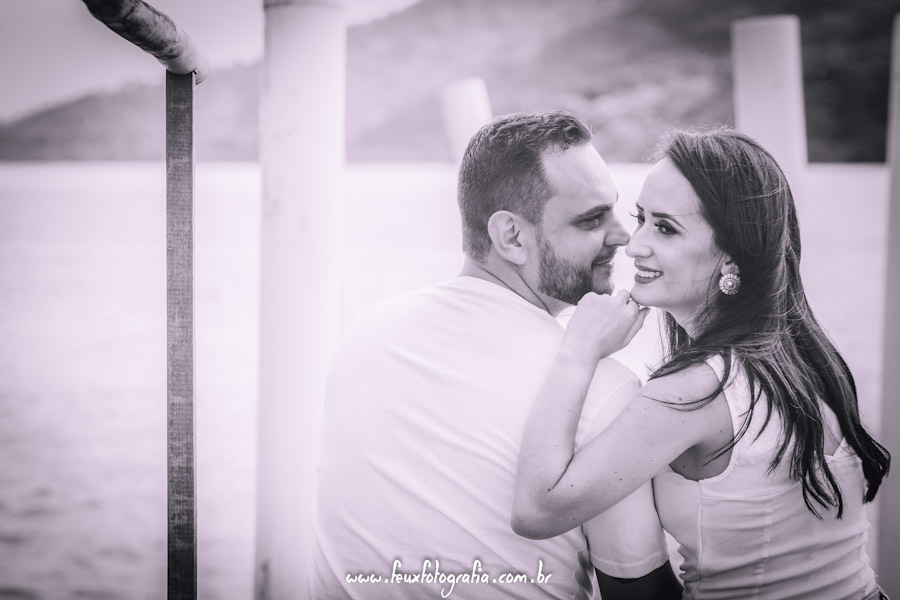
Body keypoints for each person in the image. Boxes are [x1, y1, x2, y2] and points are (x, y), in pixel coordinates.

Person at [306, 112, 679, 599]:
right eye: (591, 219)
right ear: (511, 237)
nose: (623, 236)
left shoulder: (366, 334)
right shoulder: (604, 390)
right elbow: (640, 592)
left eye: (614, 210)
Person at [513, 128, 891, 599]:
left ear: (730, 257)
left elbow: (536, 511)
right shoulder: (808, 359)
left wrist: (577, 352)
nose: (634, 246)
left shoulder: (696, 392)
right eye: (641, 218)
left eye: (666, 228)